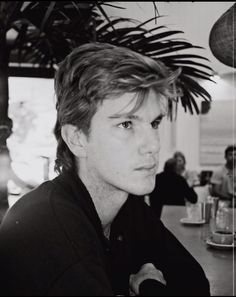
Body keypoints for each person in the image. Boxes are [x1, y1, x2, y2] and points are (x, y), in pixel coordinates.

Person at [0, 43, 210, 296]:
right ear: (77, 139)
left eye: (154, 122)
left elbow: (196, 284)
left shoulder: (126, 206)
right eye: (126, 124)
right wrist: (149, 286)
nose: (153, 145)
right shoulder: (52, 232)